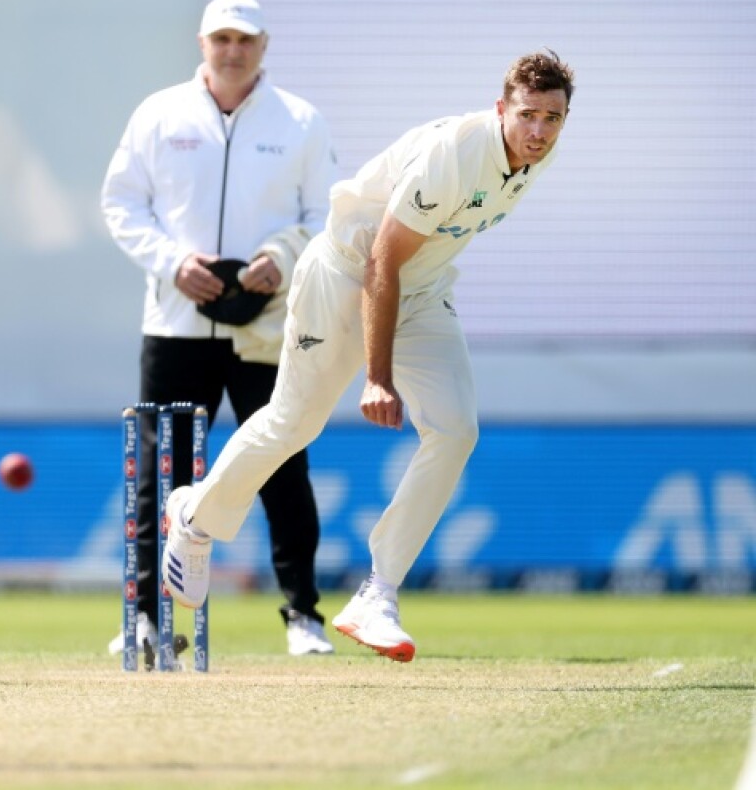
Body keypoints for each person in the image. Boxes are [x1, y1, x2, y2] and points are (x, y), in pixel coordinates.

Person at [162, 51, 575, 663]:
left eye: (552, 118)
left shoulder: (537, 156)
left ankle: (377, 593)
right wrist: (378, 377)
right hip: (347, 275)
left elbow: (412, 261)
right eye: (527, 115)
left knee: (456, 431)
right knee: (295, 422)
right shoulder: (454, 154)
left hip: (422, 291)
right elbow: (382, 258)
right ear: (501, 110)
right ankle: (195, 517)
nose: (539, 131)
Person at [101, 0, 339, 658]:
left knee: (283, 469)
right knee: (159, 474)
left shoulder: (300, 120)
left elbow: (328, 216)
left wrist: (281, 259)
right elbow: (122, 204)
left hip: (267, 328)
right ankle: (144, 618)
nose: (233, 51)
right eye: (222, 39)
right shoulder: (159, 114)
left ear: (264, 46)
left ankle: (303, 616)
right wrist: (172, 262)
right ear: (203, 44)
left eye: (245, 39)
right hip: (176, 324)